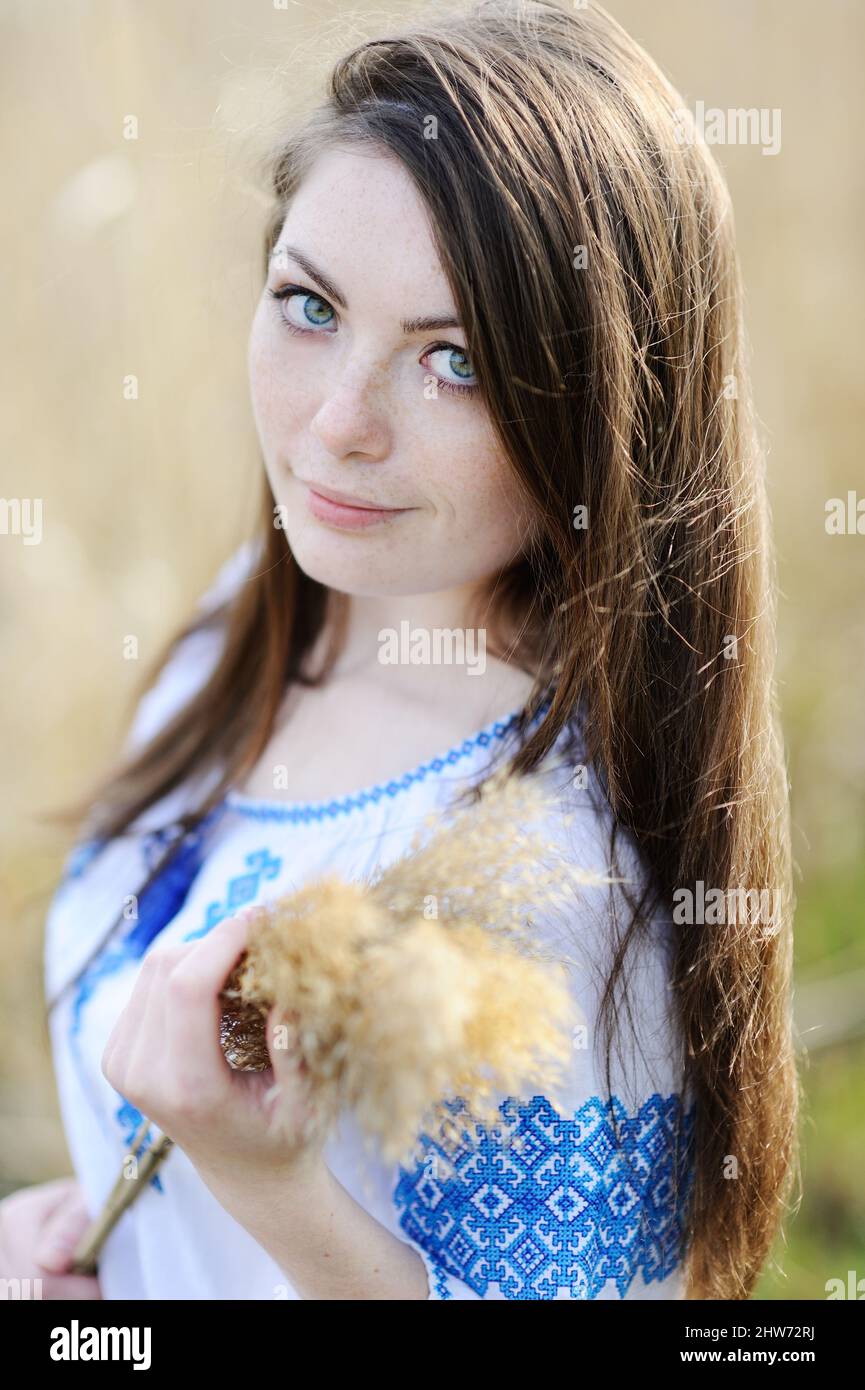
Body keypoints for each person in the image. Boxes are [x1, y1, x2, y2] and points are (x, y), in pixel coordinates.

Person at [3, 0, 798, 1300]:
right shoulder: (245, 626)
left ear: (606, 407)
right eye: (309, 304)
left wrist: (267, 1192)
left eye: (457, 361)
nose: (335, 425)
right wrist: (102, 1234)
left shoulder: (553, 890)